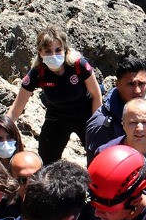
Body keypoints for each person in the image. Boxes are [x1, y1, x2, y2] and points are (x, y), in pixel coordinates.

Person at [8, 26, 102, 165]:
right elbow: (16, 108)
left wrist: (96, 126)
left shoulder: (78, 65)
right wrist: (1, 129)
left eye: (58, 50)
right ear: (40, 53)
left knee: (97, 156)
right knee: (46, 161)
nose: (53, 55)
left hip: (85, 114)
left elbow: (96, 95)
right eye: (48, 51)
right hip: (57, 116)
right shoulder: (38, 72)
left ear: (65, 50)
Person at [85, 55, 146, 149]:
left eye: (141, 84)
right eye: (130, 84)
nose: (137, 91)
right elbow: (97, 162)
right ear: (117, 84)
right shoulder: (101, 123)